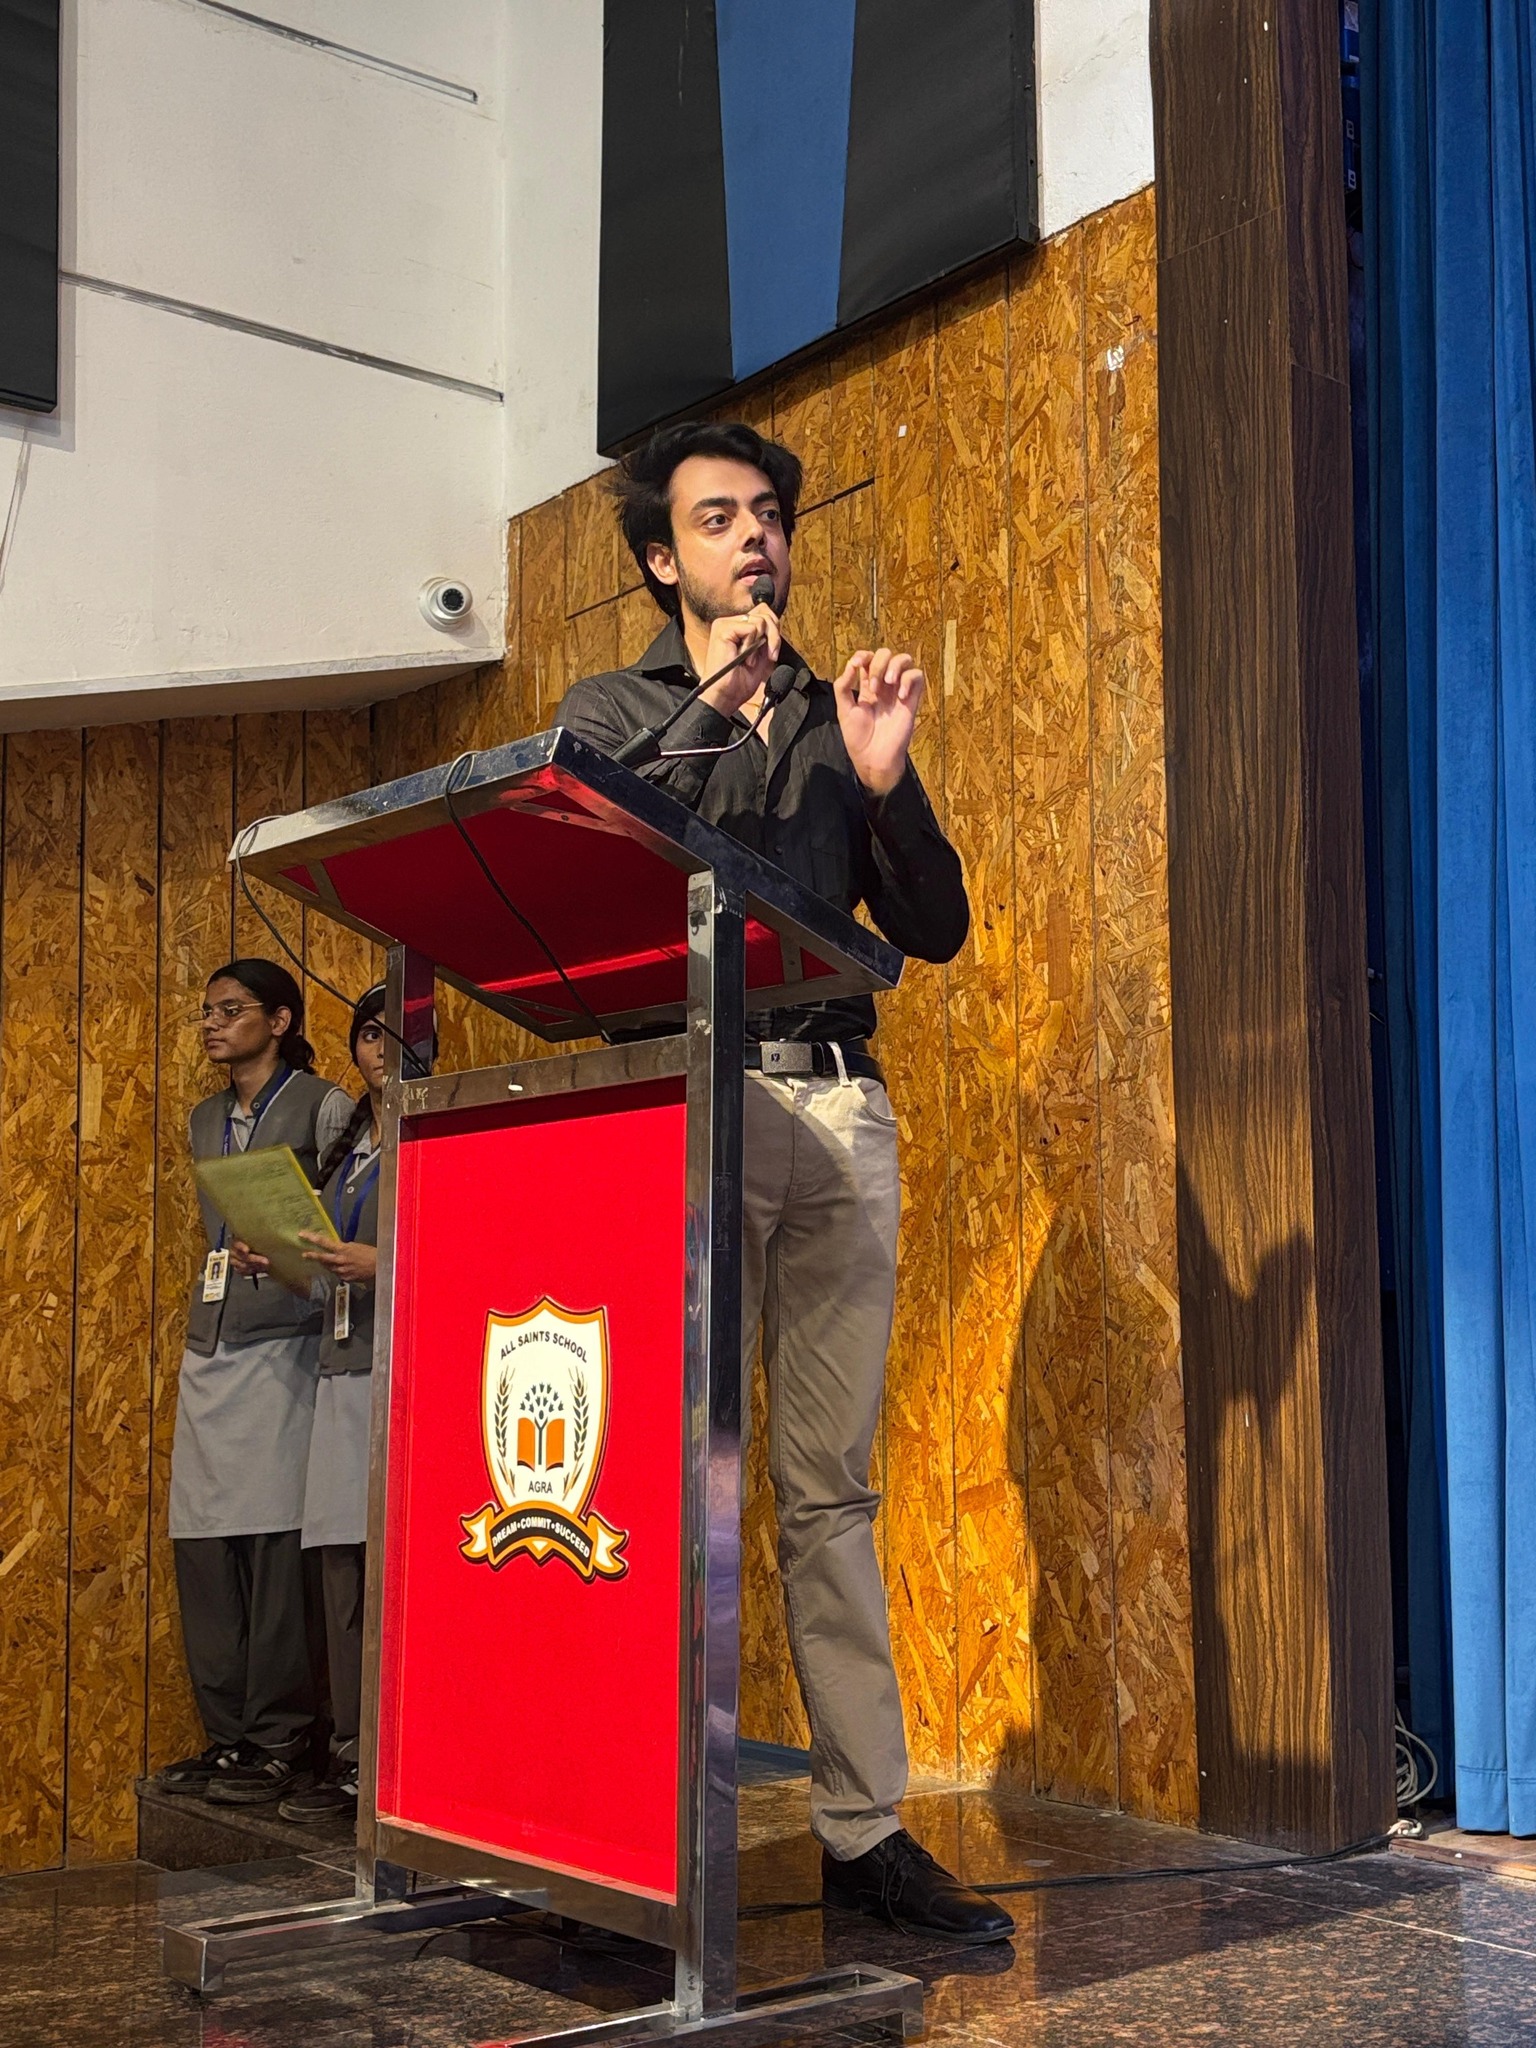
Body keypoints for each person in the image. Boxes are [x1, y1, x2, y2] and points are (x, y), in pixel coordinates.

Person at [555, 421, 1013, 1945]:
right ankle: (622, 1826)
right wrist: (712, 710)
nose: (754, 536)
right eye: (718, 518)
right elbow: (593, 868)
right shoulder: (618, 706)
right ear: (660, 559)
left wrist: (882, 783)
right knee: (659, 1480)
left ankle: (863, 1832)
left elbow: (934, 926)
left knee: (831, 1490)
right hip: (692, 1103)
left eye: (768, 515)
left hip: (839, 1107)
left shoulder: (840, 708)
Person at [156, 960, 354, 1807]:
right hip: (215, 1333)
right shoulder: (206, 1118)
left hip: (291, 1337)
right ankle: (228, 1733)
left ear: (279, 1021)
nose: (212, 1024)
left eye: (230, 1010)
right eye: (206, 1011)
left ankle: (280, 1736)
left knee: (274, 1540)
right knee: (203, 1536)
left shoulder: (322, 1105)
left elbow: (345, 1221)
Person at [271, 985, 388, 1822]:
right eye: (368, 1034)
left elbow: (474, 1249)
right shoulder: (349, 1146)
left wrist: (383, 1264)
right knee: (340, 1569)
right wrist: (281, 1262)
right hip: (337, 1367)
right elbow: (328, 1273)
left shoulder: (437, 1136)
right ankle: (350, 1752)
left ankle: (389, 1757)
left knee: (387, 1572)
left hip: (399, 1372)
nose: (381, 1048)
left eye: (396, 1034)